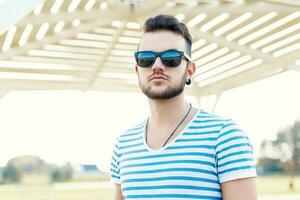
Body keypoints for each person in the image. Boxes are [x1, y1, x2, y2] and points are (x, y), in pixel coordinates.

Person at [110, 14, 257, 200]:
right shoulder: (123, 145)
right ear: (137, 69)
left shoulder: (225, 136)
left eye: (171, 58)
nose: (157, 65)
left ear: (190, 70)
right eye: (146, 58)